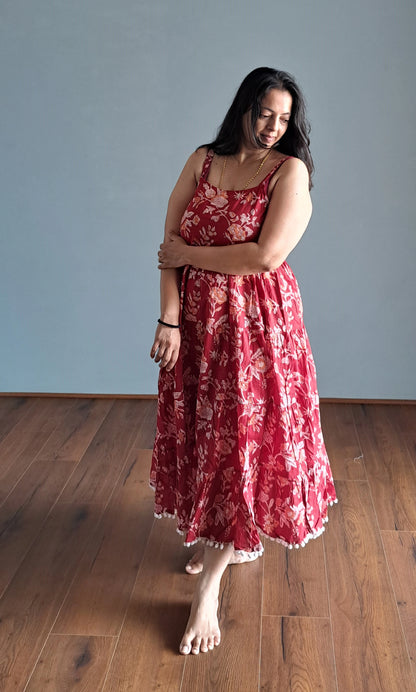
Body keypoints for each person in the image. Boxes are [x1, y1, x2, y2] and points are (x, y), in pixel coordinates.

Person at [149, 67, 337, 656]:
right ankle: (225, 535)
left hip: (257, 332)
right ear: (244, 109)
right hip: (200, 327)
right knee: (206, 437)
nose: (274, 127)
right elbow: (168, 244)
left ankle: (209, 588)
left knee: (242, 444)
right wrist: (170, 318)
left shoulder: (290, 172)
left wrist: (190, 254)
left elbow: (264, 257)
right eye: (265, 114)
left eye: (284, 119)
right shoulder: (203, 160)